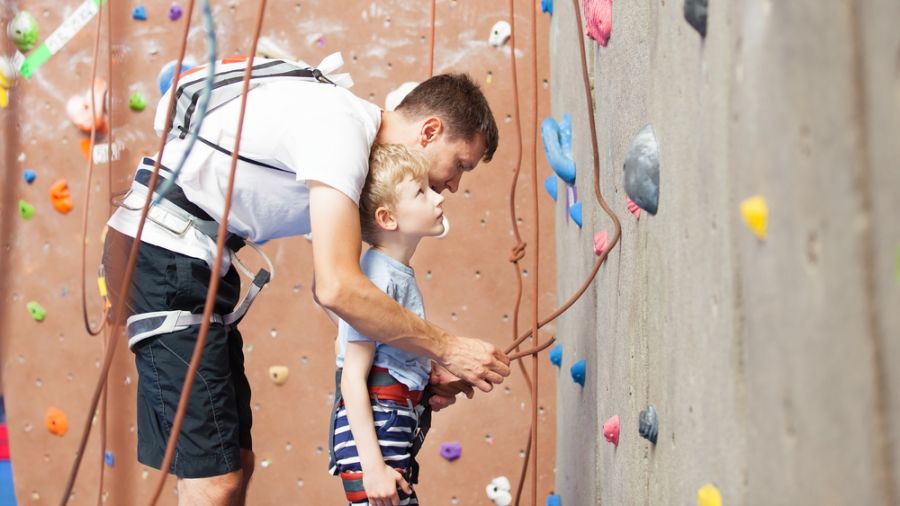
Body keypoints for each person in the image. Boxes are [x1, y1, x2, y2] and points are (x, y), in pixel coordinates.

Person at [101, 54, 510, 505]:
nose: (452, 186)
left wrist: (414, 363)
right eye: (460, 165)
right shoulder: (339, 130)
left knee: (235, 465)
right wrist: (448, 347)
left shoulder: (346, 148)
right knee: (214, 481)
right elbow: (337, 288)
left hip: (187, 260)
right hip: (164, 253)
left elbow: (348, 301)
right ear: (429, 131)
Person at [328, 144, 446, 506]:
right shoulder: (379, 279)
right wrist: (373, 468)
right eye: (421, 192)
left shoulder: (392, 273)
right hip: (374, 434)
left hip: (391, 423)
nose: (438, 197)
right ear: (388, 218)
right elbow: (352, 375)